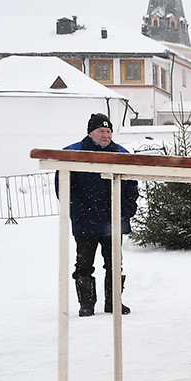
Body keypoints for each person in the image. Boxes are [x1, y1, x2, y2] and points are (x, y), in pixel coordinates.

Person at [56, 113, 140, 317]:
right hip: (86, 221)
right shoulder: (73, 153)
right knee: (84, 264)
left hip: (113, 221)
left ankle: (113, 302)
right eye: (101, 131)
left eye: (109, 131)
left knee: (114, 263)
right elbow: (64, 187)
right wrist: (78, 211)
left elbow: (131, 186)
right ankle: (86, 304)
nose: (106, 135)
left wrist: (127, 210)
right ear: (90, 133)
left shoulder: (121, 154)